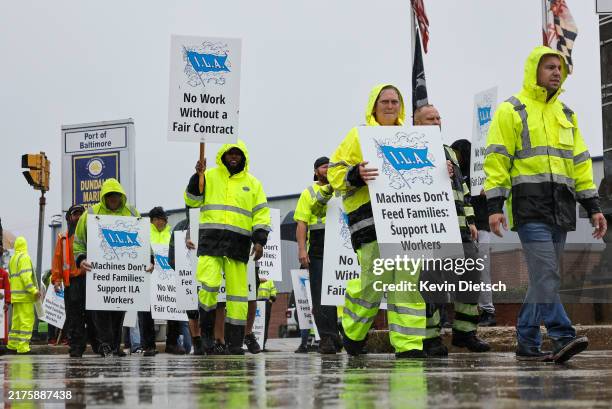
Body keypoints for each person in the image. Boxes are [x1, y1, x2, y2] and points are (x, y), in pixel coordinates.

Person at [484, 46, 606, 363]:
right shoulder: (512, 110)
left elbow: (580, 165)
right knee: (547, 273)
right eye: (549, 66)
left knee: (542, 277)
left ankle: (526, 341)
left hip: (562, 209)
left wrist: (593, 208)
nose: (556, 72)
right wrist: (495, 205)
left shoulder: (567, 114)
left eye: (559, 68)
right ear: (533, 71)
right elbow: (497, 160)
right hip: (529, 208)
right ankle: (562, 335)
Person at [328, 84, 427, 358]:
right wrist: (355, 173)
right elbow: (335, 173)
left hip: (407, 223)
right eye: (385, 101)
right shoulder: (358, 136)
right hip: (369, 223)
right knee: (374, 280)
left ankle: (409, 345)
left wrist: (445, 169)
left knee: (406, 283)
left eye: (395, 101)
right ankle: (353, 332)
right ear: (374, 105)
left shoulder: (411, 137)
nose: (390, 106)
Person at [413, 105, 490, 355]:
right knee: (431, 284)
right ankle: (431, 338)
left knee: (470, 279)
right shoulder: (410, 149)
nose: (436, 122)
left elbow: (463, 190)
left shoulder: (450, 152)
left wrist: (471, 221)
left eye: (438, 117)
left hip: (460, 229)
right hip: (430, 230)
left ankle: (465, 332)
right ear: (417, 124)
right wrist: (431, 171)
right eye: (429, 119)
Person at [184, 140, 271, 355]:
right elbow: (192, 200)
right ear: (223, 155)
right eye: (230, 153)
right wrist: (197, 177)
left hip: (238, 244)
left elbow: (261, 214)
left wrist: (259, 241)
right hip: (210, 242)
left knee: (239, 296)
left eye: (237, 154)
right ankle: (207, 339)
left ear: (243, 157)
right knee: (208, 287)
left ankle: (234, 343)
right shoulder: (209, 176)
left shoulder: (253, 184)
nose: (233, 157)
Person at [73, 178, 140, 357]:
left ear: (121, 196)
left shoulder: (132, 213)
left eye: (116, 196)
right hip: (98, 273)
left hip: (123, 276)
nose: (113, 199)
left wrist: (148, 259)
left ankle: (114, 346)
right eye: (109, 196)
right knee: (100, 311)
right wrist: (80, 260)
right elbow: (78, 243)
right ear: (104, 197)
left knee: (119, 311)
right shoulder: (90, 213)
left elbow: (143, 240)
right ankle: (104, 344)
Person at [294, 156, 341, 354]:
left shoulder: (341, 188)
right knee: (322, 295)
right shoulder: (309, 192)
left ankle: (348, 337)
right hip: (319, 247)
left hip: (341, 244)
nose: (328, 168)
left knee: (347, 291)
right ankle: (327, 339)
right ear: (315, 171)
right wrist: (302, 249)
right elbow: (302, 223)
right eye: (324, 166)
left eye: (331, 166)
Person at [451, 139, 497, 327]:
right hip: (464, 228)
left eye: (457, 153)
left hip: (481, 227)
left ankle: (488, 310)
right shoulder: (456, 176)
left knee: (481, 270)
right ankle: (471, 311)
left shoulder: (481, 175)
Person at [145, 206, 184, 356]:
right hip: (150, 278)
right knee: (147, 313)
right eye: (157, 219)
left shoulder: (171, 234)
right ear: (151, 220)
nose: (160, 222)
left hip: (169, 279)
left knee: (174, 310)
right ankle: (148, 345)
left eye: (163, 219)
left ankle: (172, 344)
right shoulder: (145, 233)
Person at [51, 204, 89, 357]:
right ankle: (76, 347)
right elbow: (58, 260)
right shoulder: (63, 238)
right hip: (72, 283)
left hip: (90, 281)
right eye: (75, 214)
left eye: (81, 214)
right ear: (69, 218)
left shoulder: (91, 235)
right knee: (74, 317)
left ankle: (101, 345)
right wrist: (56, 279)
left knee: (94, 317)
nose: (78, 217)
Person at [167, 216, 204, 355]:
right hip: (195, 275)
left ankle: (201, 341)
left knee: (198, 309)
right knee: (198, 309)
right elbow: (171, 258)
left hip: (196, 275)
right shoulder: (179, 227)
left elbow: (171, 259)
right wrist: (182, 271)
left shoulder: (179, 226)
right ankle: (202, 342)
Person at [7, 236, 41, 354]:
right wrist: (34, 291)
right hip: (25, 296)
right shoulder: (24, 257)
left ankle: (12, 346)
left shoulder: (12, 259)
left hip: (15, 297)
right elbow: (26, 277)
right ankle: (23, 348)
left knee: (16, 323)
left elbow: (11, 278)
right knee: (26, 322)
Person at [257, 277, 277, 351]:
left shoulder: (269, 279)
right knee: (255, 325)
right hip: (255, 302)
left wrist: (271, 299)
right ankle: (254, 344)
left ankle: (262, 345)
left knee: (264, 324)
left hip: (266, 304)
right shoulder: (254, 276)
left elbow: (273, 290)